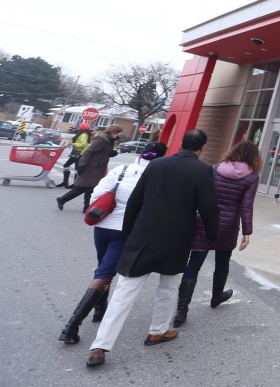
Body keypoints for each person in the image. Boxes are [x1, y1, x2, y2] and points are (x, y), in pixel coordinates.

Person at [86, 129, 219, 368]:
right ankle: (158, 331)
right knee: (168, 287)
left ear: (181, 144)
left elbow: (136, 199)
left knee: (125, 290)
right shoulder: (202, 170)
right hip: (176, 239)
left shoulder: (156, 165)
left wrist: (129, 231)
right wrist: (212, 235)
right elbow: (209, 207)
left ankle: (100, 346)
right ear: (202, 148)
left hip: (144, 236)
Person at [57, 142, 168, 345]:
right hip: (124, 231)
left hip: (102, 225)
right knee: (105, 273)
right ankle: (71, 326)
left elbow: (98, 193)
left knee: (102, 268)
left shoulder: (122, 169)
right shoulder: (154, 177)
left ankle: (100, 308)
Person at [173, 140, 261, 327]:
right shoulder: (252, 177)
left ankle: (181, 311)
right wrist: (247, 231)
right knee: (222, 262)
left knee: (194, 263)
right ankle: (216, 297)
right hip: (228, 224)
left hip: (205, 220)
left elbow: (202, 194)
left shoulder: (216, 168)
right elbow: (246, 205)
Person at [56, 125, 123, 212]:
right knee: (87, 187)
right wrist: (82, 165)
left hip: (97, 167)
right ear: (112, 132)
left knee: (87, 187)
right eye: (117, 133)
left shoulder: (108, 140)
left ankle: (72, 202)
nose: (118, 135)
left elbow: (102, 151)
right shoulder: (102, 140)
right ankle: (84, 206)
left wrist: (111, 152)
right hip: (91, 167)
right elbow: (89, 152)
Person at [56, 123, 93, 189]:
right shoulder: (81, 134)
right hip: (76, 153)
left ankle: (75, 184)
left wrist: (73, 144)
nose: (79, 128)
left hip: (80, 153)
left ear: (82, 128)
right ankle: (65, 182)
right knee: (66, 165)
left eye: (80, 127)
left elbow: (83, 144)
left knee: (76, 168)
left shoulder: (84, 135)